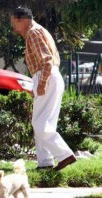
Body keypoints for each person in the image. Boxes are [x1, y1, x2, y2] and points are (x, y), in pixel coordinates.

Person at [10, 6, 76, 171]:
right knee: (44, 123)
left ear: (22, 20)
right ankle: (45, 163)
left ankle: (65, 154)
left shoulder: (33, 33)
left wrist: (41, 83)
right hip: (51, 77)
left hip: (46, 76)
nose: (14, 28)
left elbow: (46, 60)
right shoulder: (40, 31)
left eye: (14, 23)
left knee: (39, 123)